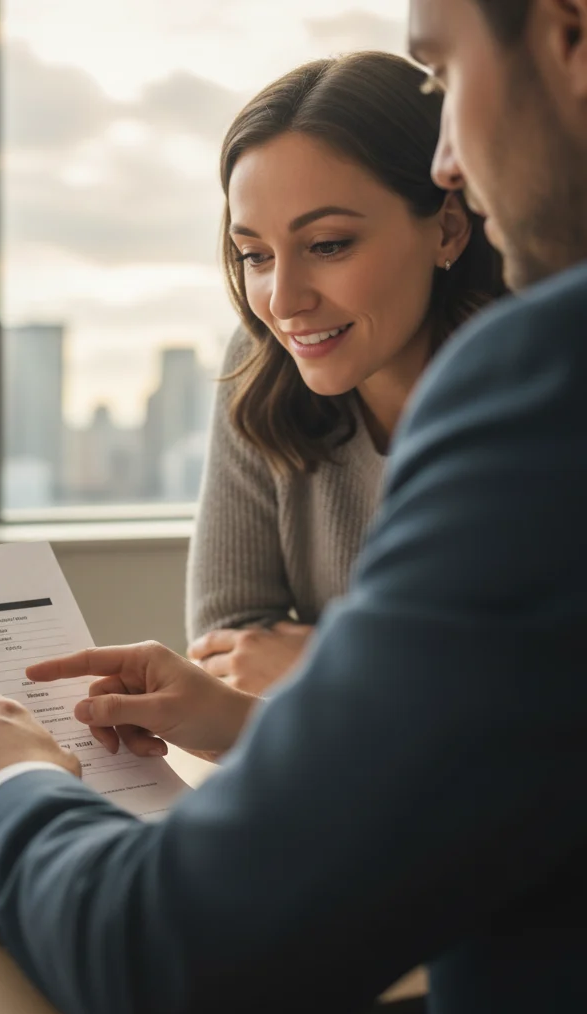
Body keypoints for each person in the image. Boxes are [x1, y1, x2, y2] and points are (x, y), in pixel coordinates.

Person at [0, 1, 587, 1014]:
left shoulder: (536, 387)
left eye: (446, 76)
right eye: (252, 253)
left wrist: (2, 792)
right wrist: (243, 707)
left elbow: (173, 956)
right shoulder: (277, 383)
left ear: (569, 35)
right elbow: (245, 643)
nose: (448, 153)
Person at [186, 52, 506, 696]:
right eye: (255, 255)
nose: (283, 301)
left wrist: (327, 664)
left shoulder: (535, 394)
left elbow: (525, 700)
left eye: (327, 244)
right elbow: (229, 653)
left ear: (447, 229)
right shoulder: (260, 374)